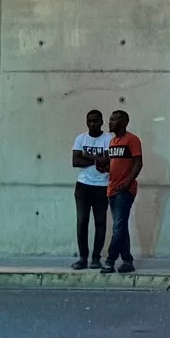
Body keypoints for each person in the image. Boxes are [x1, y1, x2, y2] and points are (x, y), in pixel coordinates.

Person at [102, 107, 143, 274]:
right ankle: (127, 260)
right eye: (110, 119)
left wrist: (127, 182)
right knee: (121, 226)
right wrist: (104, 168)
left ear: (124, 122)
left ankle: (110, 260)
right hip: (111, 189)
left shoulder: (132, 140)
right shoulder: (112, 142)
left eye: (114, 119)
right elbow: (115, 165)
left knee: (118, 227)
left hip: (124, 190)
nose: (109, 122)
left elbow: (138, 163)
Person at [71, 109, 111, 271]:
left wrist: (87, 156)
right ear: (86, 122)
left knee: (100, 222)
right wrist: (97, 160)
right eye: (90, 121)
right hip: (83, 186)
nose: (93, 123)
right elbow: (75, 161)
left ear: (102, 122)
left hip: (102, 186)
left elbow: (108, 161)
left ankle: (96, 258)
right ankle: (83, 258)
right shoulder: (81, 138)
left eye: (96, 120)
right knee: (82, 222)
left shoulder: (108, 139)